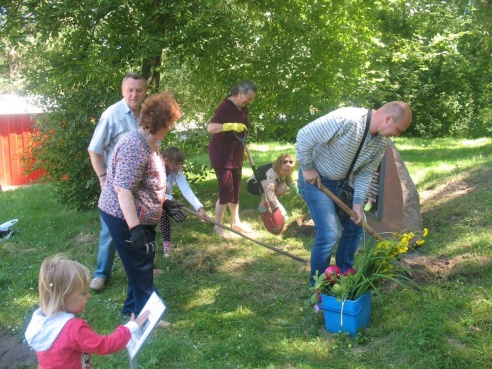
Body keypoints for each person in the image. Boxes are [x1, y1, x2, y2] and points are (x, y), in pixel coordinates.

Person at [296, 101, 412, 285]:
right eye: (398, 129)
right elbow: (304, 135)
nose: (396, 135)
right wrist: (307, 167)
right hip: (315, 181)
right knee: (328, 234)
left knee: (355, 226)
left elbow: (365, 173)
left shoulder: (381, 141)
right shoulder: (348, 119)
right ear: (388, 118)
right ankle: (318, 287)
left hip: (340, 185)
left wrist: (358, 204)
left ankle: (344, 276)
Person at [98, 92, 186, 327]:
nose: (172, 127)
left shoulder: (151, 143)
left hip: (139, 214)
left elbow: (145, 183)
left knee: (140, 260)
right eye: (171, 123)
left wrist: (164, 203)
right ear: (164, 123)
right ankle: (148, 318)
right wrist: (134, 229)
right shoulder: (134, 147)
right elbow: (123, 190)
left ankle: (132, 308)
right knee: (141, 263)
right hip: (123, 215)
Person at [25, 254, 149, 369]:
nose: (89, 296)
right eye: (83, 293)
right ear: (63, 299)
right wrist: (130, 328)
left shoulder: (40, 323)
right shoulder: (72, 329)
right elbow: (104, 345)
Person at [87, 72, 147, 291]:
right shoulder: (112, 115)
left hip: (141, 186)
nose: (134, 94)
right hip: (117, 187)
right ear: (123, 91)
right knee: (110, 232)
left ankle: (139, 270)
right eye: (130, 90)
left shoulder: (147, 114)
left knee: (141, 227)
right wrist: (103, 177)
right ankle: (101, 273)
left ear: (145, 92)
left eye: (139, 90)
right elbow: (94, 150)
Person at [207, 80, 257, 238]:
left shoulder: (243, 108)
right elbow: (211, 127)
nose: (250, 101)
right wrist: (230, 126)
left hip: (235, 153)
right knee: (226, 190)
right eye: (248, 98)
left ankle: (236, 222)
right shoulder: (226, 107)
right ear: (240, 93)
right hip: (222, 153)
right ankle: (217, 226)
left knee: (235, 189)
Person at [159, 146, 207, 256]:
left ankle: (167, 243)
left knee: (165, 215)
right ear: (166, 161)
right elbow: (154, 190)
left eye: (180, 164)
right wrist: (169, 198)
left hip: (166, 200)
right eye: (176, 164)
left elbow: (185, 188)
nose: (179, 166)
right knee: (161, 215)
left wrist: (199, 208)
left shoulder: (176, 171)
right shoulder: (157, 169)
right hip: (154, 200)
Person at [246, 153, 298, 219]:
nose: (286, 172)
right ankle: (263, 205)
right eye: (284, 170)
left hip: (268, 185)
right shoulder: (271, 171)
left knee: (283, 186)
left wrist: (297, 190)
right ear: (279, 167)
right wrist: (280, 208)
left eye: (288, 170)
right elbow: (270, 192)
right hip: (255, 186)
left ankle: (265, 204)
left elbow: (289, 181)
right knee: (269, 185)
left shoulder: (286, 169)